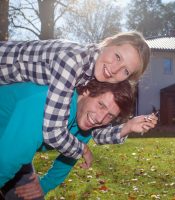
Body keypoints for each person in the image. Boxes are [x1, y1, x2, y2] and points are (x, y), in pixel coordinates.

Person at [0, 31, 151, 169]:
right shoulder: (73, 62)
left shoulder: (95, 72)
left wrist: (127, 127)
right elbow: (53, 132)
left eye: (125, 71)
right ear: (109, 43)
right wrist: (83, 150)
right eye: (117, 57)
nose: (114, 69)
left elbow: (94, 132)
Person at [0, 80, 158, 199]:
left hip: (12, 148)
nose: (100, 118)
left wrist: (44, 185)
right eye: (101, 105)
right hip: (7, 151)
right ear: (87, 91)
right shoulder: (52, 103)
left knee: (31, 195)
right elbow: (6, 161)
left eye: (110, 115)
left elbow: (68, 157)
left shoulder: (85, 122)